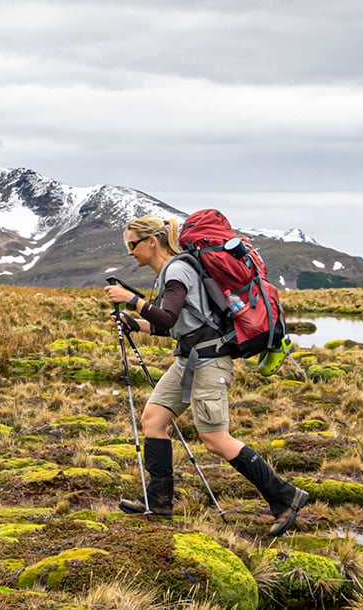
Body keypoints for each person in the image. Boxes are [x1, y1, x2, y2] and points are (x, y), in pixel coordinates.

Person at [103, 215, 310, 536]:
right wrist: (136, 323)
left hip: (209, 362)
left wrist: (133, 301)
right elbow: (169, 325)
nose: (129, 252)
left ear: (151, 242)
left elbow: (168, 315)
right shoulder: (169, 273)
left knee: (215, 440)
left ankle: (286, 497)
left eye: (132, 245)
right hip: (189, 360)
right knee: (154, 420)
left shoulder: (177, 270)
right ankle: (159, 503)